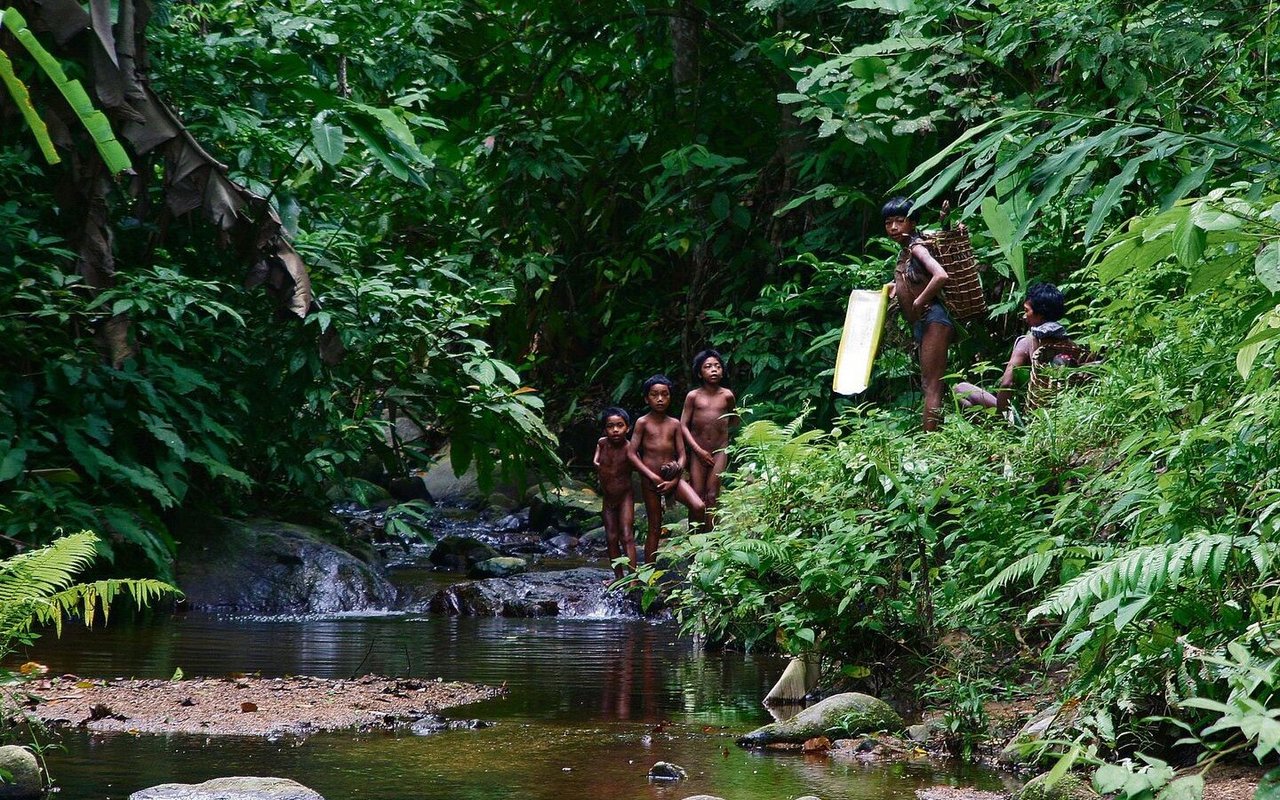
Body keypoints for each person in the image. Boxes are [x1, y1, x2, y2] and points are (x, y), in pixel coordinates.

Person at [954, 282, 1079, 413]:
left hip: (1029, 411)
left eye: (1027, 310)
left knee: (960, 389)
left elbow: (1007, 383)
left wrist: (1003, 415)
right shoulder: (1070, 345)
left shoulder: (1027, 342)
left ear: (1040, 314)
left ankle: (993, 425)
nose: (1024, 316)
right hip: (1062, 409)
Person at [884, 197, 951, 431]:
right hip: (924, 322)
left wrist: (919, 301)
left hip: (934, 319)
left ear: (912, 223)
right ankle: (935, 433)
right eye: (889, 222)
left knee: (932, 384)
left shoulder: (917, 248)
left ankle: (930, 440)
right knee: (929, 383)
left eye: (900, 221)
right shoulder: (905, 252)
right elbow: (913, 281)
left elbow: (940, 275)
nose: (893, 227)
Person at [629, 374, 706, 563]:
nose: (660, 399)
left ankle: (694, 555)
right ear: (647, 398)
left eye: (665, 394)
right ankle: (648, 572)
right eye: (654, 395)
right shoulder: (642, 423)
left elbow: (682, 454)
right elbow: (632, 453)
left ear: (670, 397)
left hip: (673, 478)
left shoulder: (674, 423)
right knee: (655, 526)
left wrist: (675, 476)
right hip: (650, 481)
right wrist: (652, 478)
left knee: (699, 506)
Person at [680, 349, 737, 529]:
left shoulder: (727, 396)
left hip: (719, 451)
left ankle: (711, 540)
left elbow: (734, 419)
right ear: (699, 372)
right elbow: (683, 425)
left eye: (717, 366)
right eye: (708, 367)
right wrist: (697, 450)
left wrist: (722, 437)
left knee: (712, 495)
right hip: (698, 452)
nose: (713, 370)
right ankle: (694, 539)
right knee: (697, 495)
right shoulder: (693, 396)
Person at [593, 407, 638, 581]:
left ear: (628, 427)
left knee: (626, 536)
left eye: (620, 425)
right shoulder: (602, 443)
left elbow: (640, 467)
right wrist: (597, 463)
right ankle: (618, 578)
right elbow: (596, 458)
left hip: (625, 496)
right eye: (610, 426)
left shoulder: (629, 448)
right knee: (611, 537)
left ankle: (633, 578)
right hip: (608, 498)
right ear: (605, 429)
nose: (615, 430)